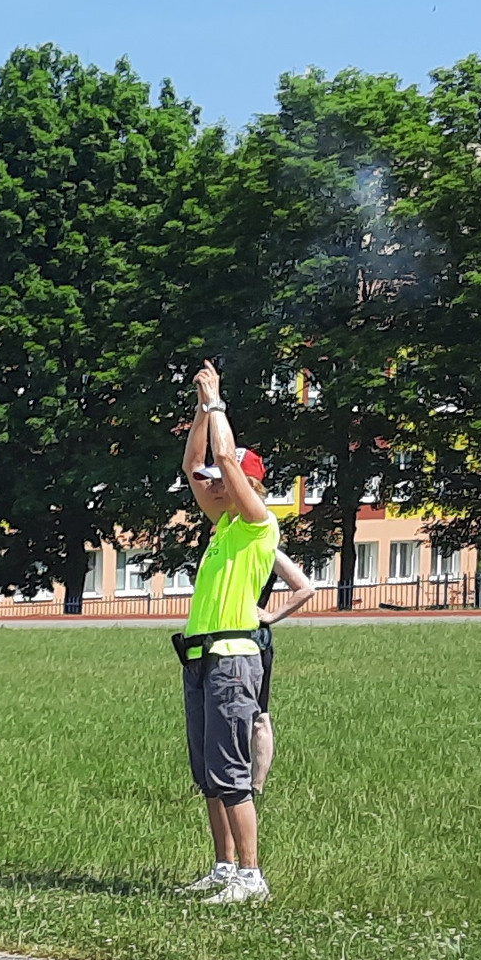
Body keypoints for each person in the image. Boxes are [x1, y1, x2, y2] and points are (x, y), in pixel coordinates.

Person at [176, 363, 314, 906]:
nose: (210, 485)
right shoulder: (222, 530)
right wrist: (199, 412)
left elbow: (226, 461)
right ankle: (223, 867)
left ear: (248, 487)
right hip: (201, 658)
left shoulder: (258, 526)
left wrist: (217, 405)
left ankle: (252, 877)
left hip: (233, 660)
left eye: (221, 481)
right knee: (210, 775)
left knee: (232, 775)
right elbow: (193, 466)